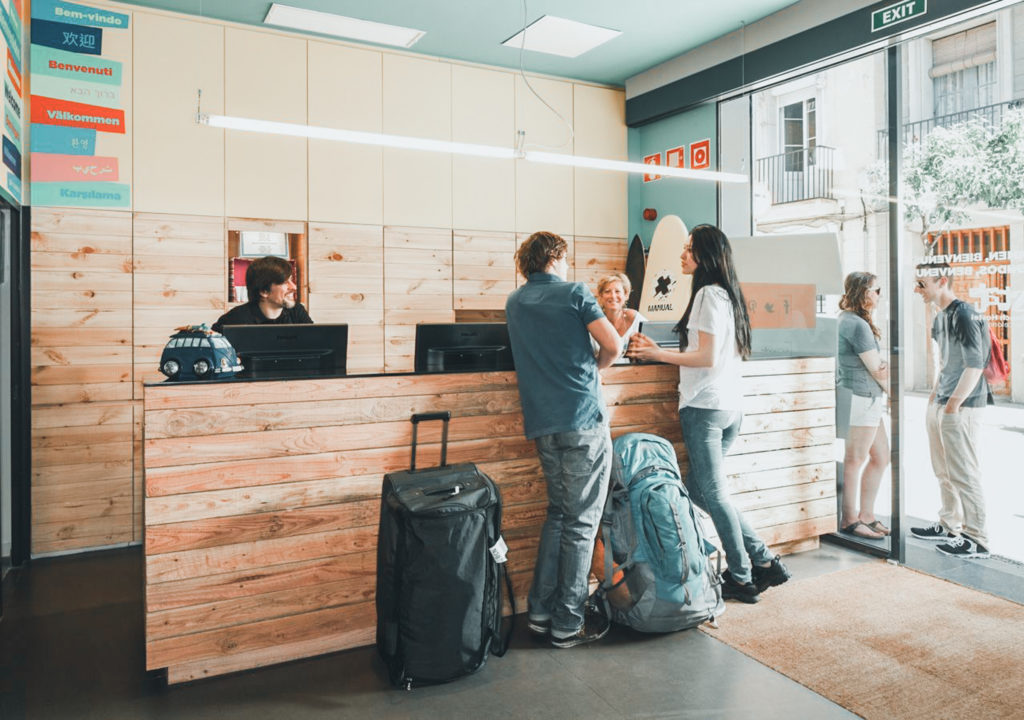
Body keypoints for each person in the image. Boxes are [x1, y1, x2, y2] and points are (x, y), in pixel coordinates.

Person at [627, 224, 790, 604]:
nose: (682, 256)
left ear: (704, 257)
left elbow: (706, 357)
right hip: (729, 407)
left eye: (688, 250)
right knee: (701, 490)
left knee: (713, 494)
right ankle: (764, 560)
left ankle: (742, 576)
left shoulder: (707, 296)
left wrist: (657, 354)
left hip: (705, 407)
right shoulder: (727, 295)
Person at [505, 231, 621, 648]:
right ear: (556, 257)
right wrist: (597, 366)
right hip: (582, 418)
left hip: (543, 423)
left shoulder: (515, 302)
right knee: (582, 522)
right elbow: (614, 343)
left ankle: (539, 611)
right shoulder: (575, 293)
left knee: (559, 514)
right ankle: (568, 622)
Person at [911, 262, 992, 558]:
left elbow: (975, 364)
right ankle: (949, 523)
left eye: (922, 284)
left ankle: (977, 538)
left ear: (942, 281)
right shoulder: (939, 316)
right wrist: (936, 395)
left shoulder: (965, 314)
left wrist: (954, 403)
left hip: (963, 405)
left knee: (964, 471)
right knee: (943, 469)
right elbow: (945, 359)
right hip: (943, 401)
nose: (917, 289)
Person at [836, 272, 891, 539]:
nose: (879, 295)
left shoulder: (849, 320)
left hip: (865, 397)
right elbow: (877, 368)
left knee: (881, 457)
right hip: (862, 397)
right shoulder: (856, 324)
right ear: (863, 293)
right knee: (855, 459)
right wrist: (895, 393)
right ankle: (849, 519)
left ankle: (866, 516)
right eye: (876, 290)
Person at [212, 256, 313, 332]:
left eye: (291, 280)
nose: (294, 287)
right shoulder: (234, 320)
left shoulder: (297, 312)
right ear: (264, 291)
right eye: (285, 282)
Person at [592, 273, 647, 360]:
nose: (613, 296)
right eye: (607, 291)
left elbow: (653, 344)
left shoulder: (635, 318)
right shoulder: (593, 321)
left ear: (626, 295)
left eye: (617, 291)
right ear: (601, 296)